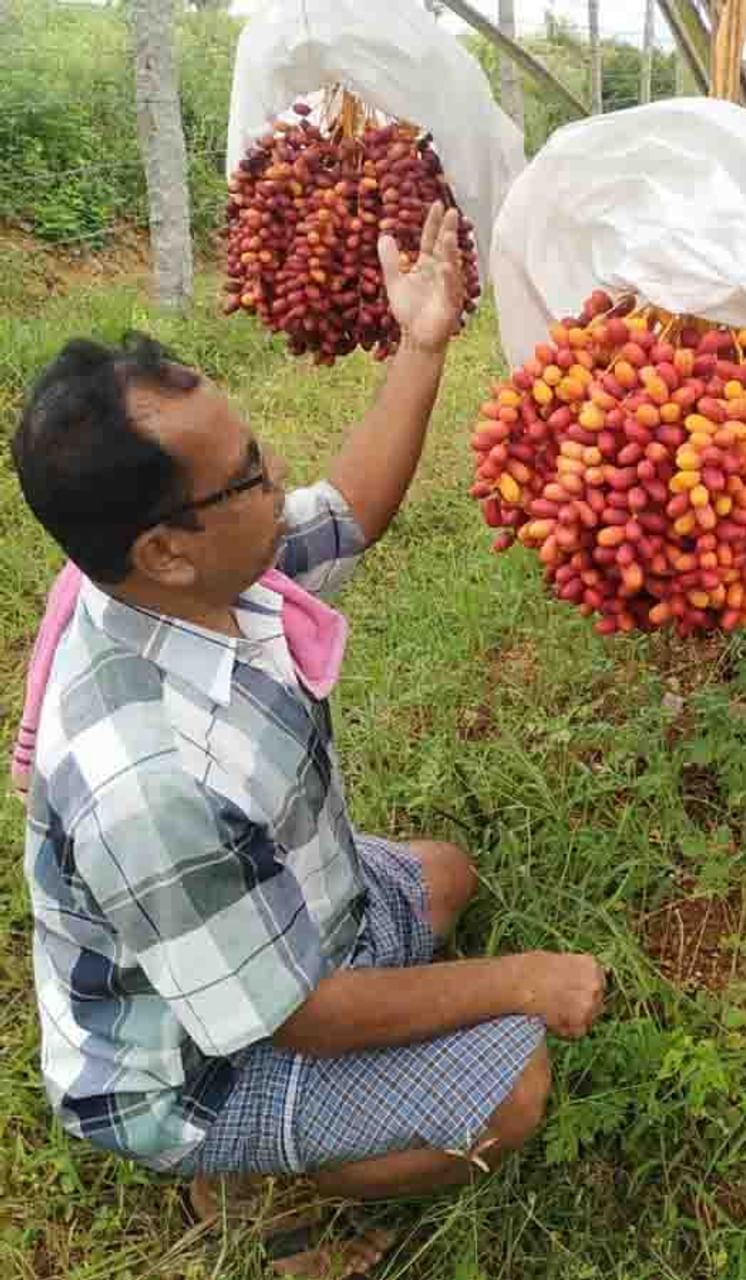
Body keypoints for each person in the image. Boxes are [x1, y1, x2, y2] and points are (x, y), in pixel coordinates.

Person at [12, 204, 606, 1278]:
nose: (276, 480)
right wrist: (519, 979)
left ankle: (360, 1072)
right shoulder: (143, 778)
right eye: (246, 477)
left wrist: (422, 342)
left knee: (444, 872)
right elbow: (295, 1014)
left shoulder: (179, 576)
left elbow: (350, 510)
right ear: (164, 546)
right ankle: (265, 1178)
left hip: (287, 922)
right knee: (511, 1085)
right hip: (201, 1065)